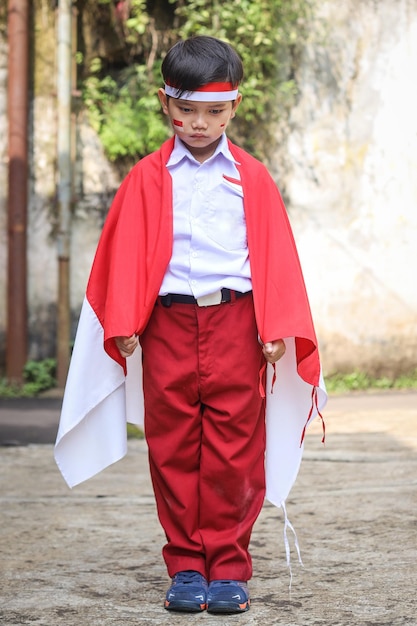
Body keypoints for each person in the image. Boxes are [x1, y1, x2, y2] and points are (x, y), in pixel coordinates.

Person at [54, 35, 327, 615]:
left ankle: (228, 566)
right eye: (186, 110)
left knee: (234, 448)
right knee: (173, 445)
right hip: (168, 326)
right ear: (165, 103)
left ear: (235, 107)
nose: (199, 124)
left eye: (213, 111)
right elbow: (124, 254)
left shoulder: (251, 178)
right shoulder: (147, 178)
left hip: (235, 321)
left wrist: (274, 325)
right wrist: (127, 321)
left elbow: (272, 256)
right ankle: (184, 565)